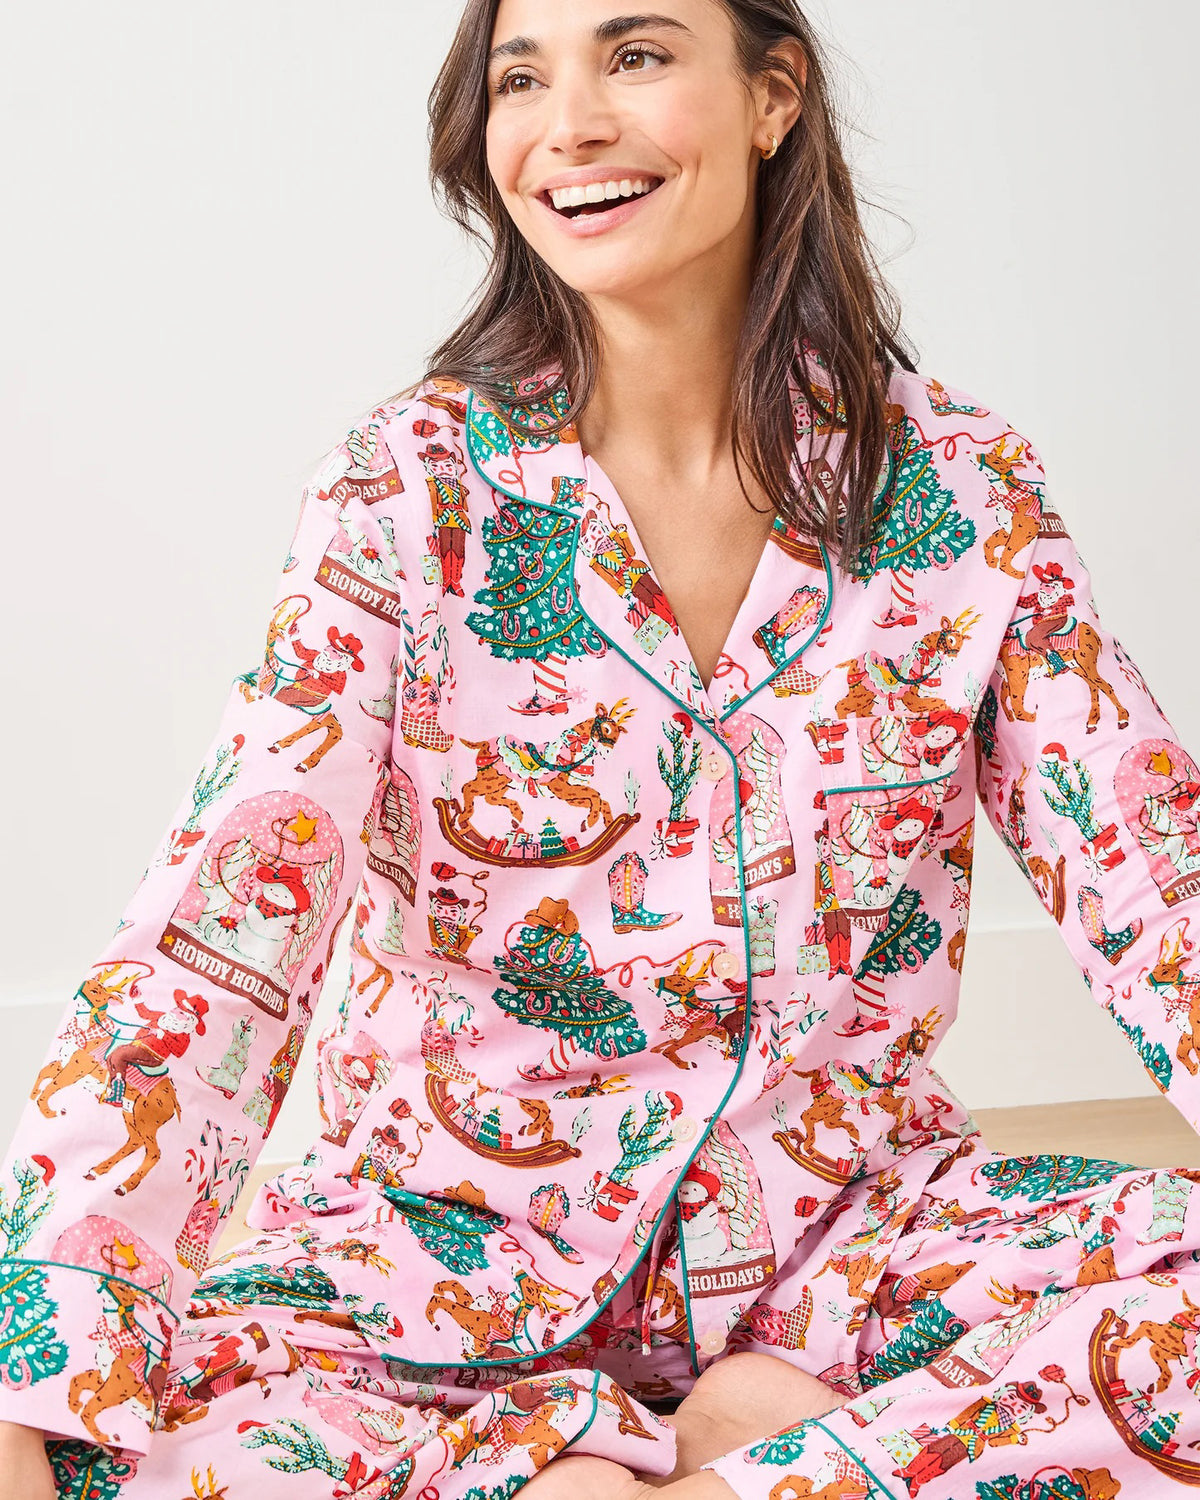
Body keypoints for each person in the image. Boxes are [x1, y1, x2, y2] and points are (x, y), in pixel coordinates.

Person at [2, 2, 1198, 1497]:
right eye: (521, 75)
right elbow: (222, 927)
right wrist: (31, 1368)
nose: (565, 123)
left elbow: (1157, 881)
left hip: (850, 1249)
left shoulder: (962, 490)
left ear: (773, 97)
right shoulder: (409, 489)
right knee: (127, 1435)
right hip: (443, 1273)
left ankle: (669, 1462)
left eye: (633, 54)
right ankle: (733, 1457)